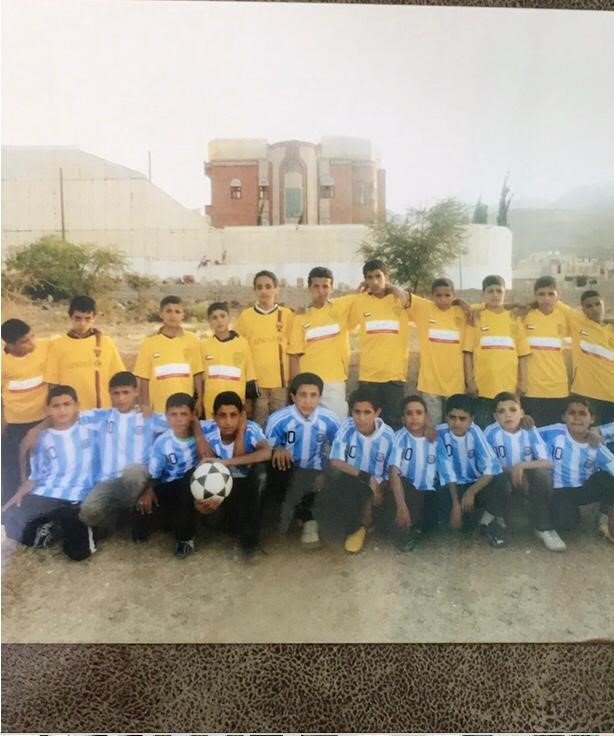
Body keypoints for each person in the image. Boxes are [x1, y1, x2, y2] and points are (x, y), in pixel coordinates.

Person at [2, 385, 99, 561]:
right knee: (10, 520)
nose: (62, 410)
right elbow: (36, 475)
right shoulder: (43, 438)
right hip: (48, 493)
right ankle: (56, 528)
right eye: (56, 406)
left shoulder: (91, 429)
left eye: (67, 404)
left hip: (75, 496)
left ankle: (78, 526)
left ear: (77, 405)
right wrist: (18, 494)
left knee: (77, 553)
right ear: (48, 410)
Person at [265, 372, 339, 548]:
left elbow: (339, 450)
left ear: (320, 397)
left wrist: (325, 472)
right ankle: (289, 514)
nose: (308, 401)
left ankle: (309, 520)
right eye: (303, 395)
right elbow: (265, 449)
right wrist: (277, 449)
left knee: (335, 477)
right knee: (278, 469)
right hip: (288, 472)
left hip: (316, 474)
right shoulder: (279, 419)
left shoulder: (329, 420)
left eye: (313, 395)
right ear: (293, 397)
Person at [484, 392, 565, 552]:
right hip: (505, 484)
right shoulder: (491, 433)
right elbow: (489, 465)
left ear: (521, 413)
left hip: (525, 481)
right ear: (495, 416)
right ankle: (501, 514)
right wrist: (513, 470)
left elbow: (548, 461)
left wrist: (521, 466)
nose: (508, 415)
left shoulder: (529, 429)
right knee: (518, 525)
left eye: (513, 410)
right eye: (502, 411)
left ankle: (543, 527)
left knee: (542, 474)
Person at [198, 391, 271, 558]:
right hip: (224, 493)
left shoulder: (251, 429)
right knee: (213, 519)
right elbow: (191, 420)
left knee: (261, 474)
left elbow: (266, 453)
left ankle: (250, 541)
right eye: (222, 416)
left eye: (234, 415)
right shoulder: (209, 434)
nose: (228, 421)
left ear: (242, 416)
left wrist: (226, 460)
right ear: (214, 417)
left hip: (246, 489)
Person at [132, 393, 205, 558]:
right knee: (141, 525)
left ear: (193, 416)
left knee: (189, 477)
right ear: (166, 416)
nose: (178, 419)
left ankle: (185, 539)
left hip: (193, 487)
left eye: (184, 414)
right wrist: (149, 492)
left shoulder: (203, 435)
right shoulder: (162, 443)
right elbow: (154, 475)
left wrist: (200, 436)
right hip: (170, 488)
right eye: (173, 414)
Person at [343, 259, 411, 429]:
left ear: (387, 277)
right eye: (369, 277)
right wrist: (356, 295)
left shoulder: (400, 299)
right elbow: (347, 325)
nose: (374, 282)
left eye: (378, 276)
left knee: (394, 424)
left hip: (394, 376)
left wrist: (395, 288)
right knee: (367, 424)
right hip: (368, 377)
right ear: (364, 280)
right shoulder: (360, 302)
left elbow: (417, 304)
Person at [327, 386, 395, 553]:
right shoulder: (347, 427)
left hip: (379, 486)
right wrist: (367, 478)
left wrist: (377, 490)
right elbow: (335, 461)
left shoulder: (388, 435)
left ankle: (367, 523)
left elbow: (391, 471)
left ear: (377, 412)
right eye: (356, 412)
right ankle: (358, 527)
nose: (361, 418)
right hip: (354, 480)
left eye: (367, 412)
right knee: (339, 480)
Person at [539, 395, 614, 544]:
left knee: (606, 478)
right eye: (572, 413)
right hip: (559, 491)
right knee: (566, 523)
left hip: (583, 489)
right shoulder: (554, 432)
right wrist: (524, 422)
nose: (577, 418)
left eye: (582, 413)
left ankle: (607, 515)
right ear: (564, 417)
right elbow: (529, 434)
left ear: (592, 419)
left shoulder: (596, 444)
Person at [436, 393, 507, 547]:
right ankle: (471, 519)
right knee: (459, 527)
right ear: (446, 417)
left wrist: (471, 492)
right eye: (452, 417)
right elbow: (447, 472)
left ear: (471, 419)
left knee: (502, 481)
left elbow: (491, 468)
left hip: (474, 485)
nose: (456, 423)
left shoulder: (475, 432)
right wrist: (456, 505)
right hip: (452, 487)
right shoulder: (439, 434)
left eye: (462, 419)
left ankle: (487, 521)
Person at [463, 275, 531, 428]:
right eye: (490, 291)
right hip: (483, 389)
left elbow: (522, 355)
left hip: (509, 389)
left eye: (499, 291)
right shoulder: (476, 318)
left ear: (505, 293)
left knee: (509, 432)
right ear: (483, 295)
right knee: (484, 430)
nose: (495, 295)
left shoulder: (514, 319)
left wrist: (523, 381)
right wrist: (470, 381)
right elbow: (468, 353)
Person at [288, 266, 350, 420]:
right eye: (316, 286)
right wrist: (297, 387)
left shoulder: (341, 308)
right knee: (308, 425)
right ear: (309, 288)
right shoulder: (300, 318)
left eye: (325, 286)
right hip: (308, 383)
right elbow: (294, 355)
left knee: (336, 424)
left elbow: (366, 296)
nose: (321, 291)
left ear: (332, 289)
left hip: (334, 380)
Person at [406, 277, 469, 424]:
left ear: (454, 295)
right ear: (431, 296)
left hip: (455, 383)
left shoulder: (462, 312)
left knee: (454, 425)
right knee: (433, 426)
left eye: (447, 295)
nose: (443, 299)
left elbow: (488, 308)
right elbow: (403, 295)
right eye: (438, 295)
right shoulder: (424, 309)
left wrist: (461, 302)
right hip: (430, 383)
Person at [44, 295, 125, 410]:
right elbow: (53, 384)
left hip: (101, 412)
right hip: (69, 413)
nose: (82, 324)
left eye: (87, 319)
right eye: (78, 318)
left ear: (94, 318)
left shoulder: (105, 343)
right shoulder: (57, 345)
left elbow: (119, 379)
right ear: (70, 316)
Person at [1, 319, 51, 505]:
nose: (33, 344)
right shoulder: (3, 362)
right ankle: (9, 521)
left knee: (38, 472)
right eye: (25, 341)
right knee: (11, 474)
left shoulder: (45, 348)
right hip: (13, 427)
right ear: (11, 344)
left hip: (42, 423)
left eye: (32, 337)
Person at [235, 270, 294, 426]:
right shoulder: (246, 317)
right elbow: (239, 351)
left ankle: (279, 450)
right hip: (257, 384)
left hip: (281, 384)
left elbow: (294, 349)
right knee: (259, 423)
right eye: (260, 287)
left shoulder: (286, 315)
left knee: (280, 424)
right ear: (255, 290)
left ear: (276, 289)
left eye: (268, 286)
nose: (264, 291)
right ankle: (261, 450)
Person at [384, 395, 439, 551]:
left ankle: (417, 527)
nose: (414, 417)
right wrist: (402, 507)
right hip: (407, 490)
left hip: (429, 491)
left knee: (432, 519)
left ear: (426, 416)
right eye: (409, 414)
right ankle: (407, 530)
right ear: (403, 418)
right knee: (406, 496)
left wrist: (430, 427)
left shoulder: (435, 436)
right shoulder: (400, 437)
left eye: (419, 413)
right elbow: (393, 471)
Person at [133, 295, 204, 415]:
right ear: (161, 314)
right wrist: (144, 405)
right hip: (158, 410)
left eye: (177, 311)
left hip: (184, 408)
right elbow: (143, 378)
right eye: (168, 311)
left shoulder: (192, 340)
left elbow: (197, 373)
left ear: (183, 315)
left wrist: (200, 399)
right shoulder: (149, 343)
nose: (173, 315)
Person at [558, 290, 614, 424]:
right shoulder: (578, 322)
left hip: (611, 397)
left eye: (597, 304)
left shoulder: (611, 330)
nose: (594, 309)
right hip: (586, 396)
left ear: (603, 305)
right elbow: (550, 299)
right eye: (589, 306)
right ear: (582, 309)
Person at [521, 276, 570, 427]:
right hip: (531, 389)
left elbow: (589, 319)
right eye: (541, 294)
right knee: (532, 437)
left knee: (556, 437)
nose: (546, 298)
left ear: (558, 296)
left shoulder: (565, 316)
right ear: (535, 296)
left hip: (558, 389)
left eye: (551, 294)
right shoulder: (525, 316)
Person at [200, 302, 257, 419]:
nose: (219, 321)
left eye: (222, 316)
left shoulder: (242, 343)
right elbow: (201, 378)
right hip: (211, 405)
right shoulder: (204, 346)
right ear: (209, 322)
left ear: (229, 318)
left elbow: (250, 374)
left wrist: (249, 401)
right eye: (214, 318)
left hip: (236, 405)